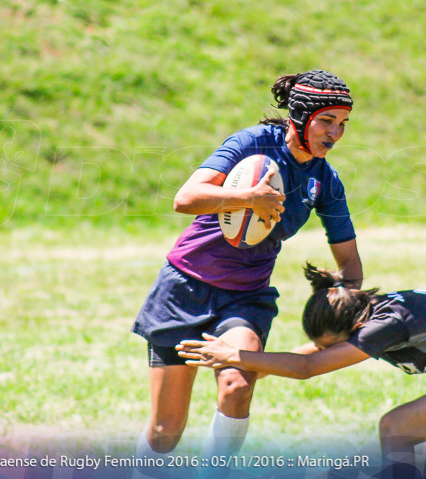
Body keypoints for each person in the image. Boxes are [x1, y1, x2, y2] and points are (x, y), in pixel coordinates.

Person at [131, 70, 362, 459]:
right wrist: (247, 197)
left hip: (246, 296)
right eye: (326, 121)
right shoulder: (253, 143)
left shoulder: (325, 180)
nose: (335, 134)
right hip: (185, 287)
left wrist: (348, 304)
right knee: (163, 434)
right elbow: (186, 198)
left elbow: (350, 260)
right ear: (300, 117)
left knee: (237, 387)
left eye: (343, 124)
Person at [178, 263, 426, 477]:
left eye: (334, 346)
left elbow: (309, 366)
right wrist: (249, 373)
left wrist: (236, 356)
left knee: (396, 428)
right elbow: (309, 353)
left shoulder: (385, 324)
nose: (332, 353)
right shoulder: (371, 311)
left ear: (353, 331)